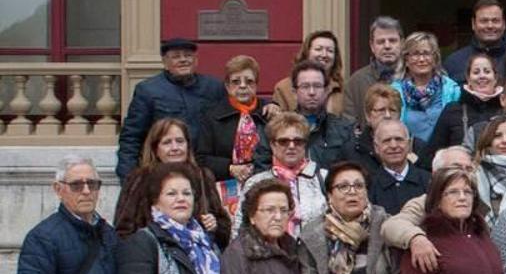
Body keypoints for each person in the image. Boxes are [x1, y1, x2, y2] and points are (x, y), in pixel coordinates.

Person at [117, 38, 224, 180]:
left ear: (196, 60)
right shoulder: (148, 91)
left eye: (188, 55)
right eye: (176, 57)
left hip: (205, 172)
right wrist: (128, 178)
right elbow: (131, 137)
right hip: (162, 172)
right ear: (165, 63)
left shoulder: (214, 88)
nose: (183, 60)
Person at [115, 118, 232, 248]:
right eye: (167, 143)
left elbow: (224, 227)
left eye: (180, 141)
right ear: (155, 148)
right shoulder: (141, 178)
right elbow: (124, 228)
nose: (175, 147)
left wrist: (215, 225)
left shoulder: (203, 176)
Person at [378, 146, 476, 273]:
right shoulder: (425, 203)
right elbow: (391, 226)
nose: (464, 174)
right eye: (455, 168)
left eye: (469, 169)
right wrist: (416, 238)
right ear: (435, 174)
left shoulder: (479, 204)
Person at [250, 61, 355, 172]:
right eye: (305, 86)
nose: (311, 92)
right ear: (294, 93)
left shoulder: (344, 129)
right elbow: (262, 167)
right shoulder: (276, 128)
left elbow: (350, 170)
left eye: (317, 86)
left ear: (326, 91)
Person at [239, 112, 329, 236]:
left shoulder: (325, 179)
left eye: (298, 141)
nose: (291, 146)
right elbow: (240, 229)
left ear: (305, 144)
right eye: (283, 141)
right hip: (268, 253)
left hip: (317, 253)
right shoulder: (256, 183)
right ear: (272, 145)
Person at [197, 55, 269, 185]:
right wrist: (229, 167)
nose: (242, 86)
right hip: (225, 186)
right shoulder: (212, 116)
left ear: (256, 85)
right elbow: (201, 158)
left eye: (249, 81)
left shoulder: (268, 112)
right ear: (227, 86)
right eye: (236, 82)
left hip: (263, 184)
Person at [348, 84, 432, 177]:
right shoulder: (353, 151)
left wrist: (416, 164)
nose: (387, 115)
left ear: (400, 114)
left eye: (392, 110)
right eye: (381, 110)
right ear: (368, 116)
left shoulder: (418, 148)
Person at [429, 53, 505, 153]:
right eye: (476, 72)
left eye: (487, 71)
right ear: (468, 78)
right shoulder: (452, 110)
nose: (482, 76)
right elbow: (432, 153)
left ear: (495, 78)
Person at [395, 31, 462, 143]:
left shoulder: (452, 91)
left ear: (435, 59)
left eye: (426, 54)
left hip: (443, 156)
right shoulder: (394, 92)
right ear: (406, 60)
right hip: (408, 155)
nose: (421, 59)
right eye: (415, 54)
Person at [269, 31, 345, 117]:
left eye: (330, 51)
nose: (324, 55)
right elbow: (278, 124)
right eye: (318, 49)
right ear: (307, 52)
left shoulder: (343, 89)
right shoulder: (283, 88)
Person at [345, 17, 403, 126]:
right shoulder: (356, 82)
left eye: (392, 41)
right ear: (372, 46)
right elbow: (349, 126)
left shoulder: (413, 77)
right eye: (381, 42)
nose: (387, 46)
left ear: (401, 43)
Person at [368, 119, 431, 214]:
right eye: (387, 141)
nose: (393, 145)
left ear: (409, 144)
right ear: (376, 147)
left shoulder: (430, 181)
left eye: (399, 139)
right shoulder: (369, 185)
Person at [443, 0, 506, 82]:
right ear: (473, 24)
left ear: (504, 24)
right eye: (484, 21)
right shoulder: (453, 62)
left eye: (495, 20)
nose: (490, 26)